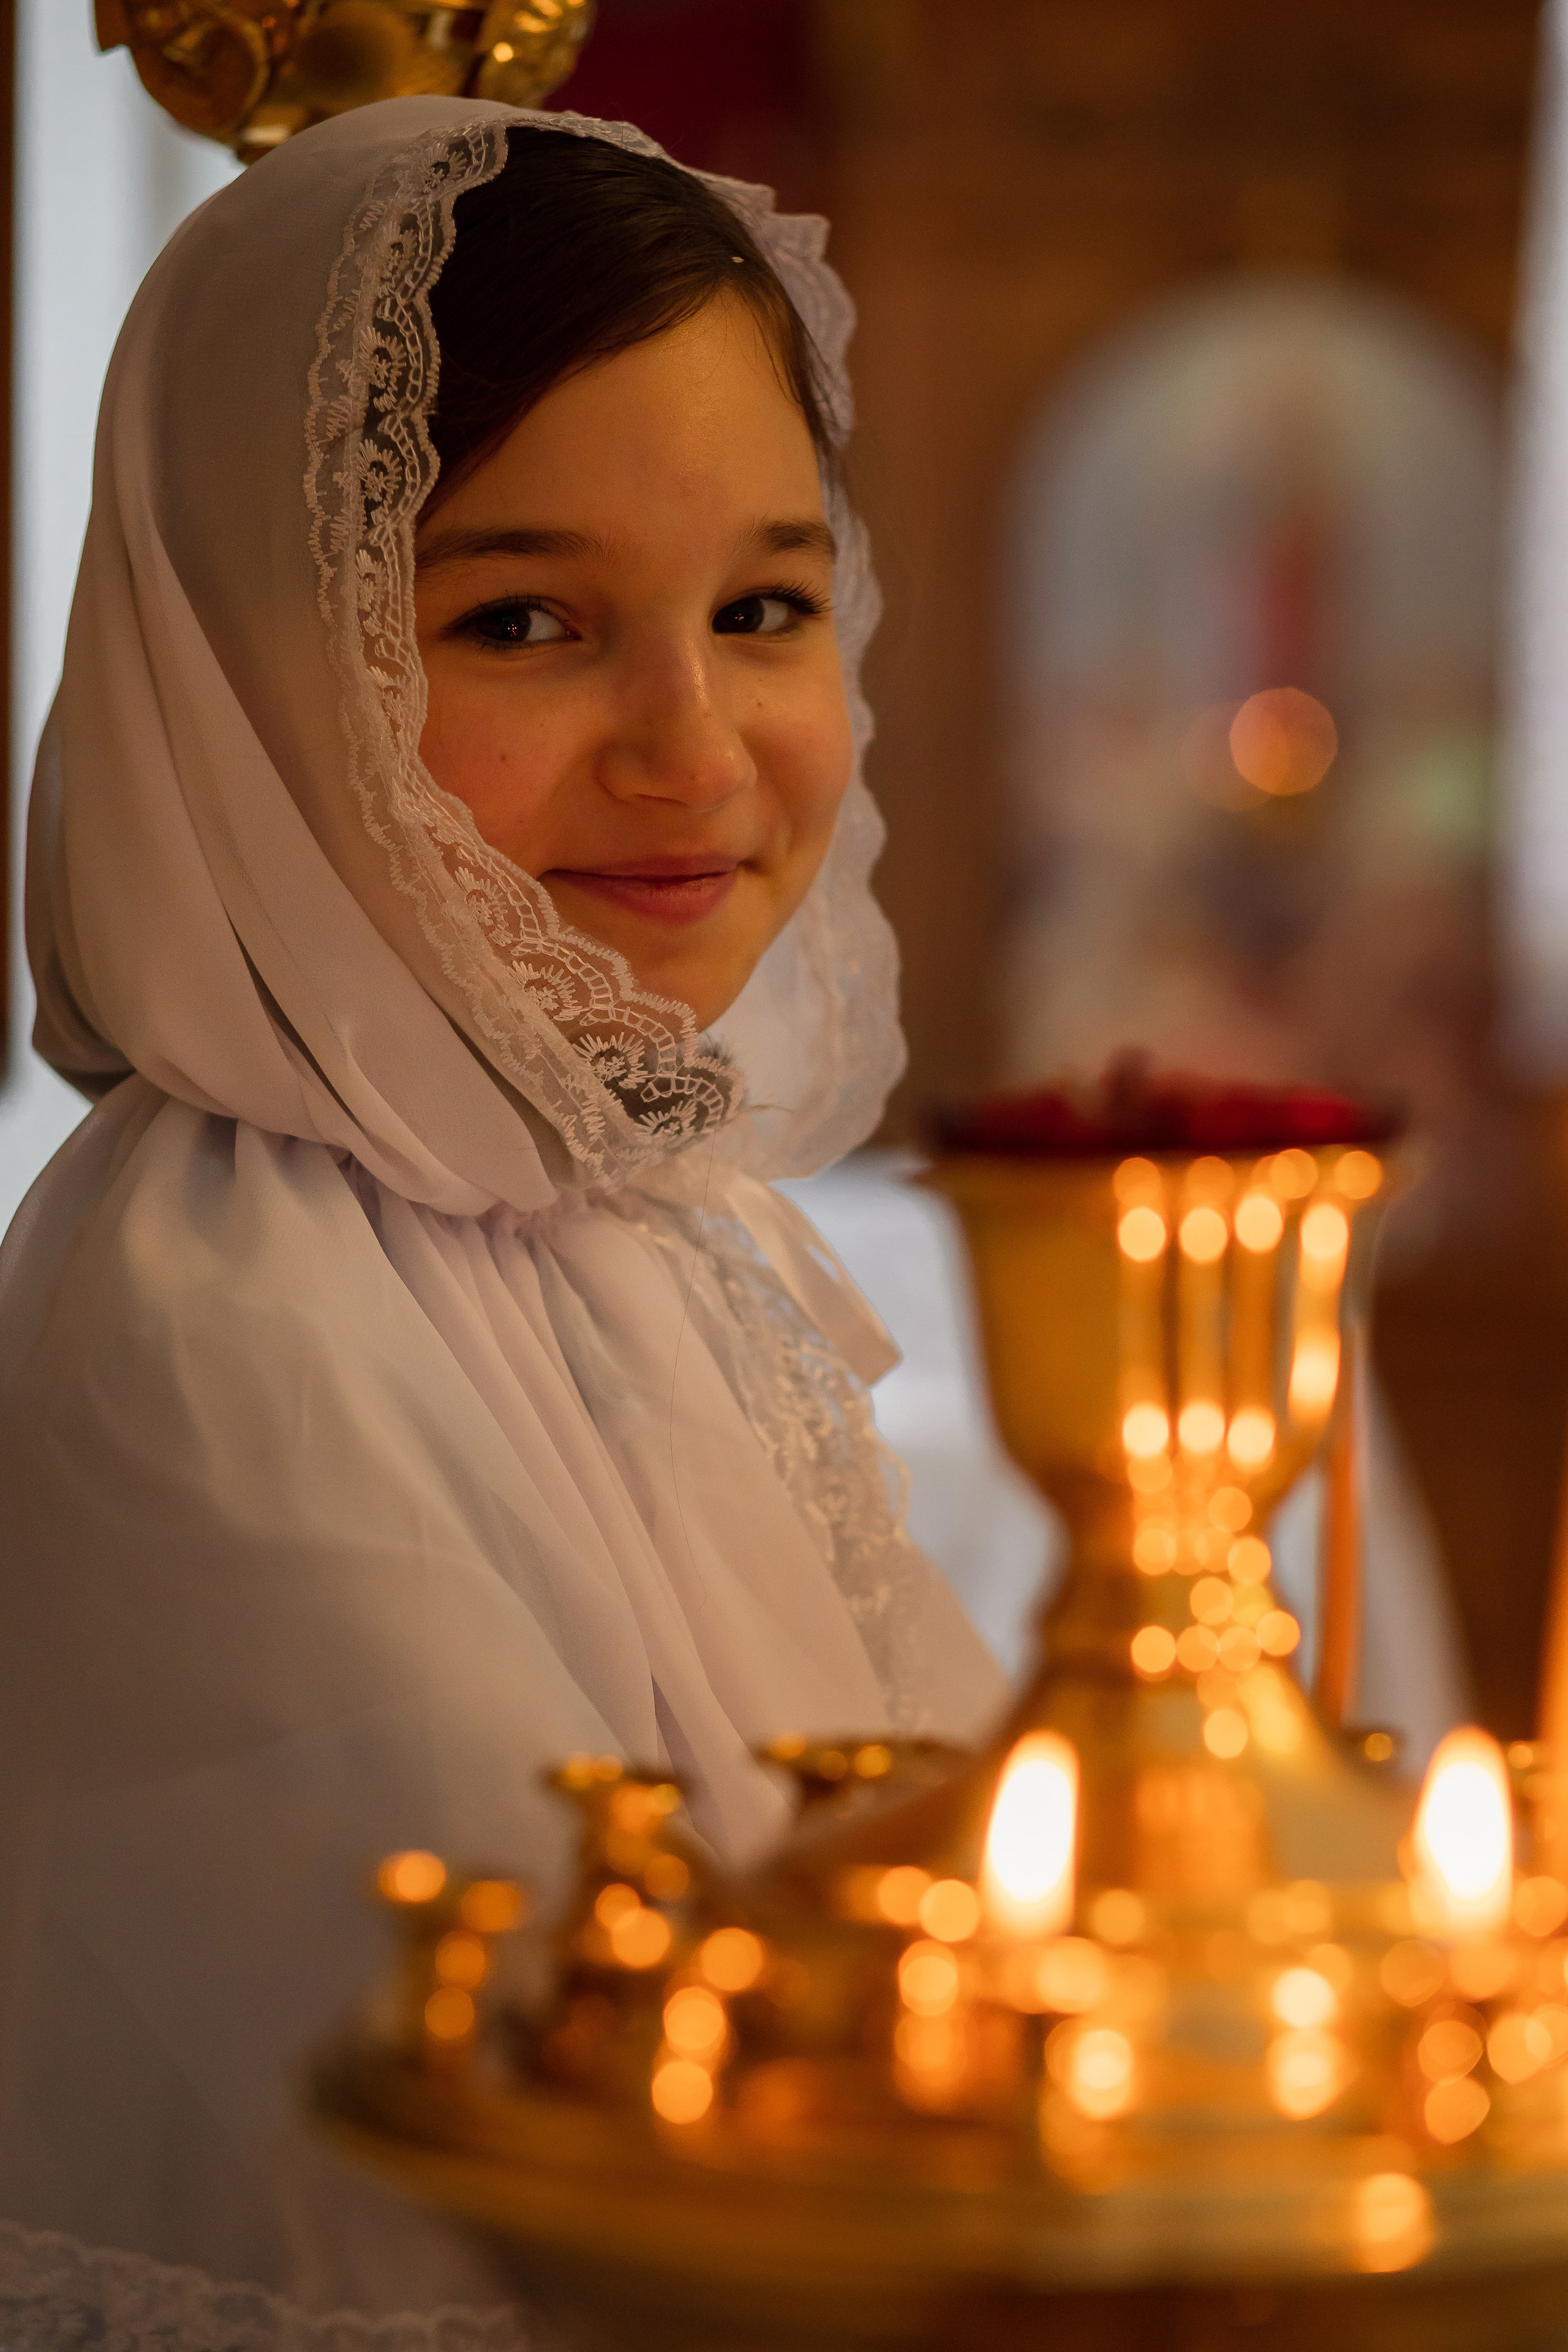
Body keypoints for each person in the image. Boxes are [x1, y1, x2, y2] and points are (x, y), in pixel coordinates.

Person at [0, 99, 1003, 2341]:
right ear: (251, 680)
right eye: (528, 619)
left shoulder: (645, 1239)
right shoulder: (219, 1319)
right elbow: (540, 2148)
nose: (697, 744)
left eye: (765, 607)